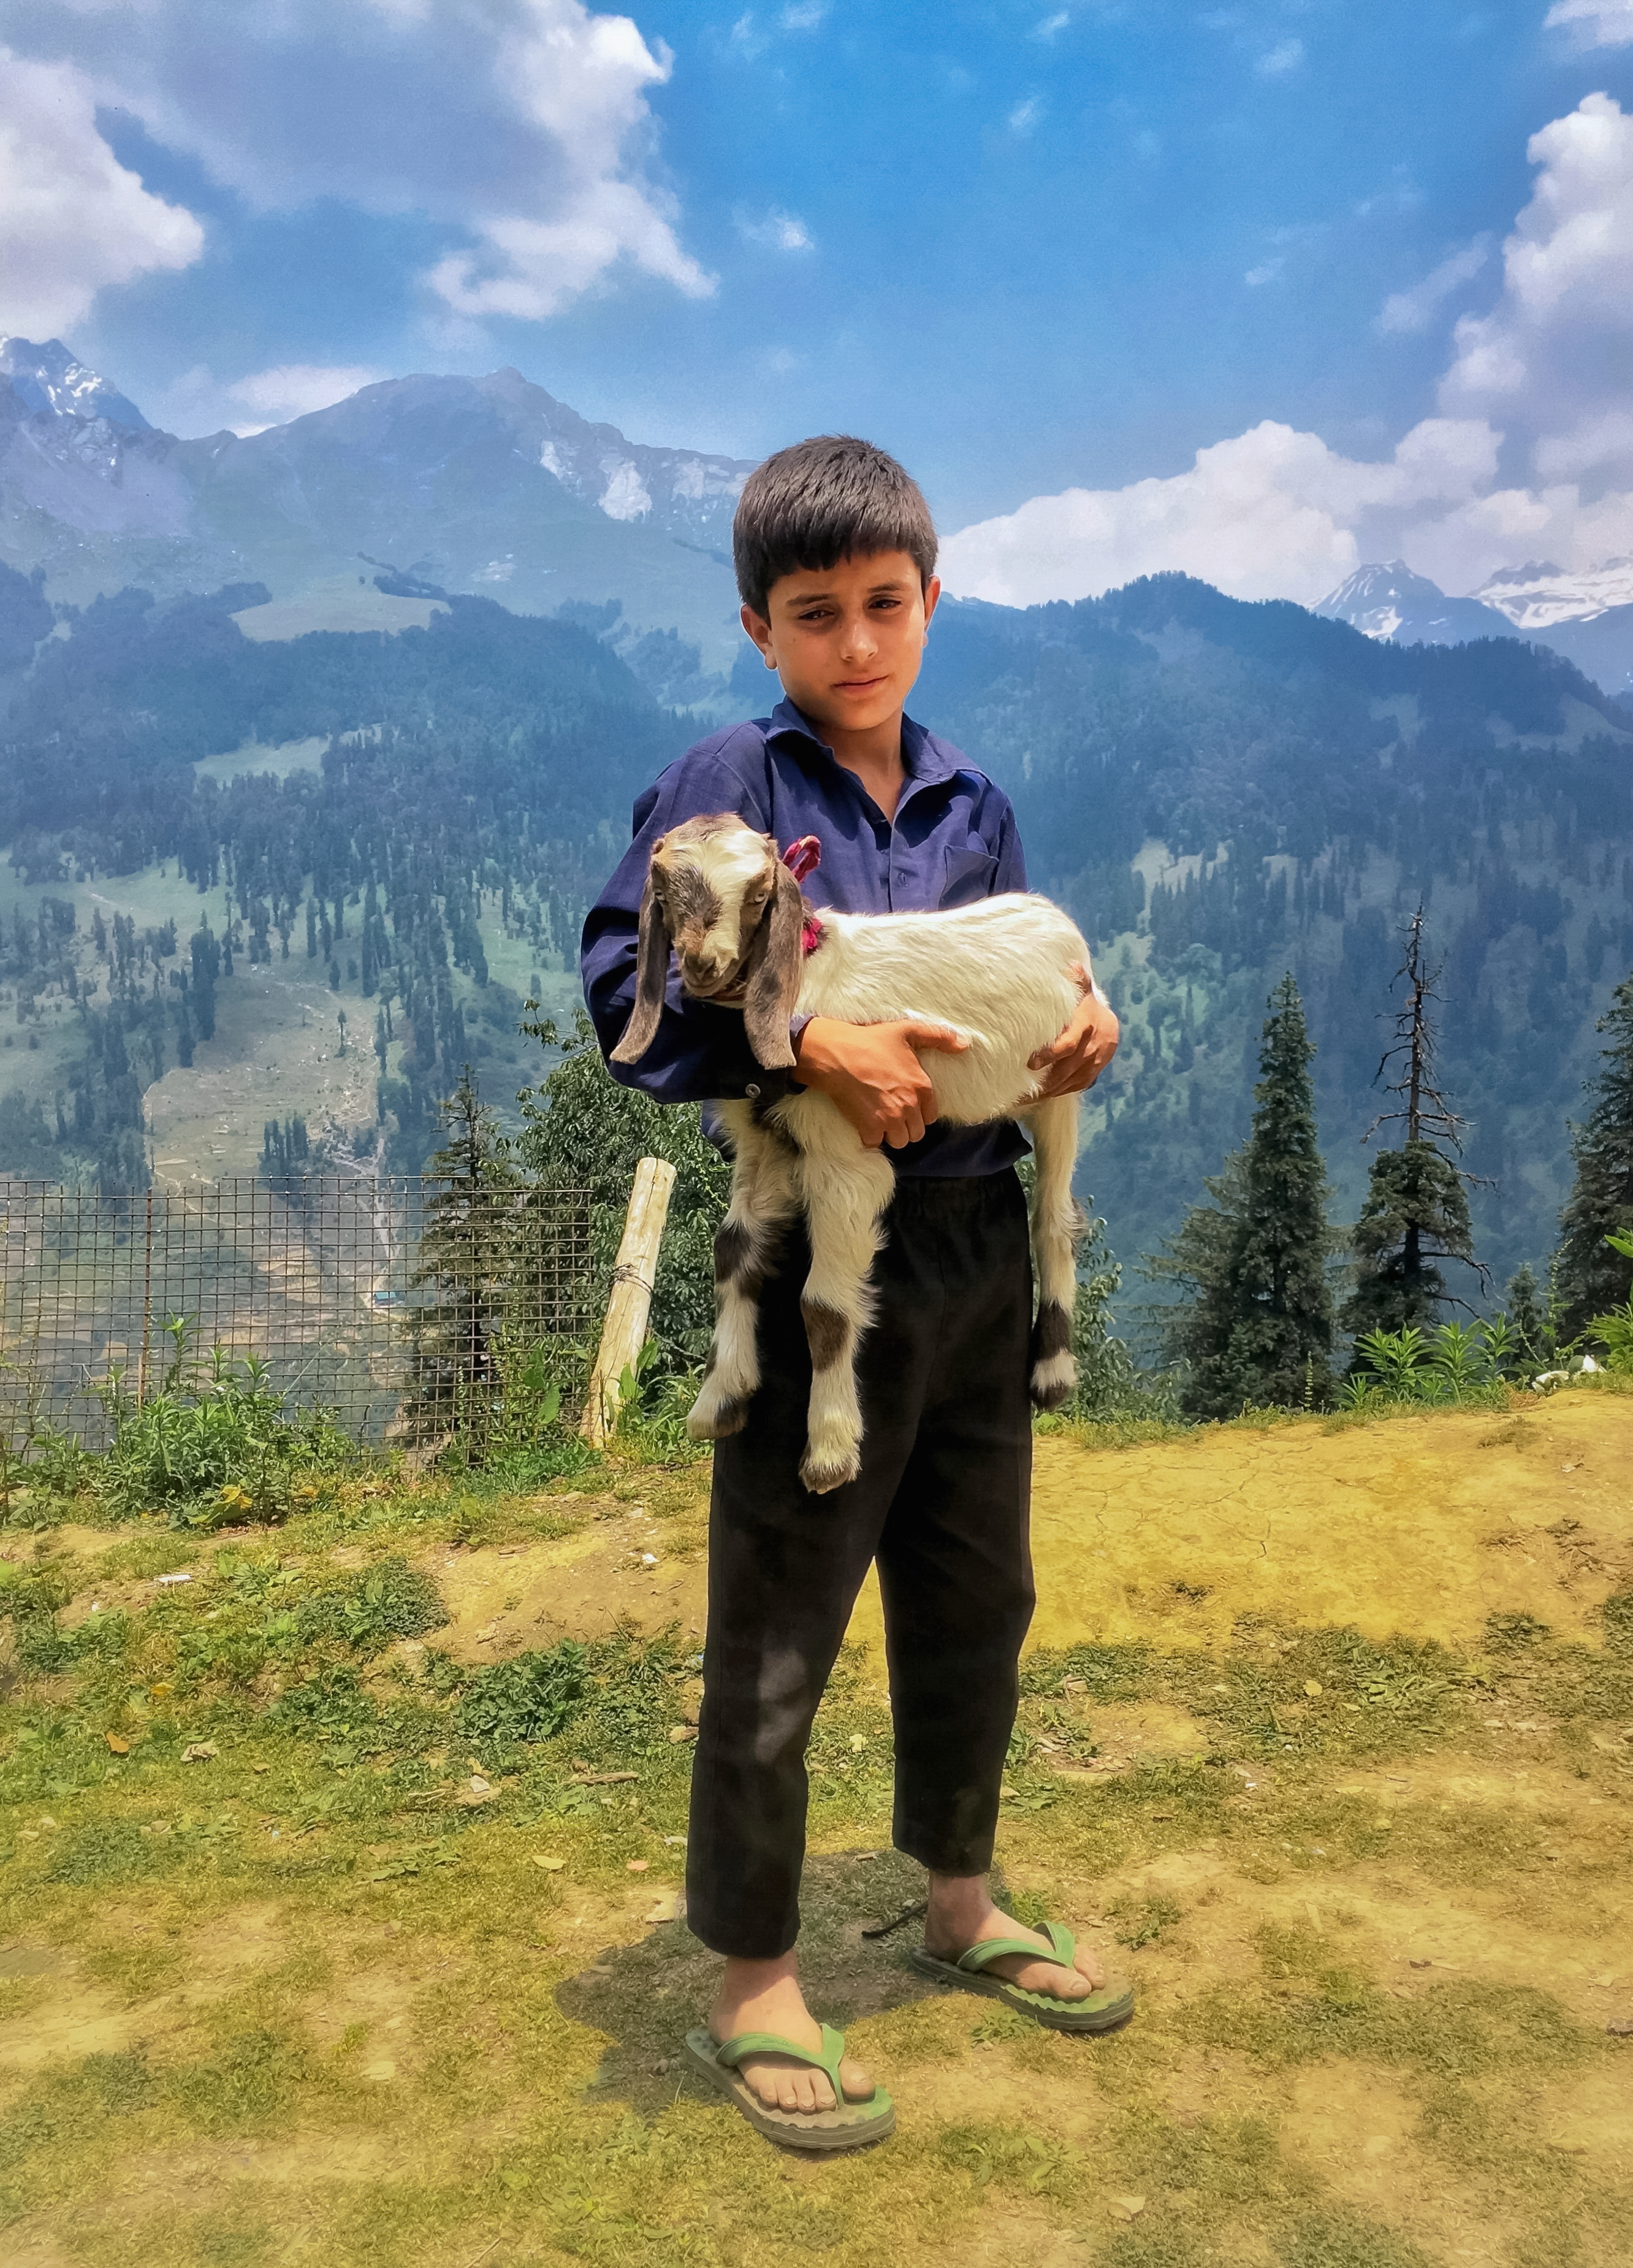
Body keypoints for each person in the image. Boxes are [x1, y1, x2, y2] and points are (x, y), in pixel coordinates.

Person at [581, 435, 1129, 2150]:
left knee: (981, 1592)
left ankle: (957, 1897)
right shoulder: (725, 792)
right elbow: (626, 971)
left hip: (969, 1244)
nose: (859, 643)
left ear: (931, 599)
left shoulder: (974, 801)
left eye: (886, 605)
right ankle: (753, 1977)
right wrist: (804, 1028)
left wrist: (1081, 1028)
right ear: (760, 628)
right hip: (823, 1250)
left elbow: (1034, 968)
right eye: (816, 615)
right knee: (783, 1606)